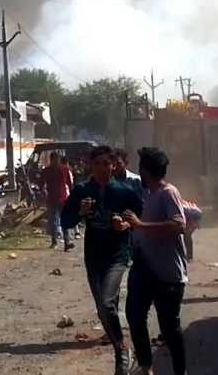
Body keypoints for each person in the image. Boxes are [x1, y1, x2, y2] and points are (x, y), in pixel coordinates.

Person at [61, 145, 144, 375]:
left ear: (114, 166)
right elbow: (65, 221)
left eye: (105, 164)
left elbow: (140, 219)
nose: (100, 168)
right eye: (96, 164)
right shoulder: (82, 190)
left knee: (107, 303)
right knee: (104, 309)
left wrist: (125, 224)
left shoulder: (125, 192)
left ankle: (122, 350)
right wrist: (80, 212)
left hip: (117, 256)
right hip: (94, 257)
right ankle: (123, 352)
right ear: (91, 165)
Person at [120, 147, 188, 375]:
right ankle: (146, 367)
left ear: (145, 171)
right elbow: (145, 230)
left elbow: (179, 225)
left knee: (169, 328)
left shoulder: (168, 192)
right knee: (135, 316)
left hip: (167, 273)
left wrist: (140, 225)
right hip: (145, 267)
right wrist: (135, 242)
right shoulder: (150, 195)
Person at [43, 152, 75, 251]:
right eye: (53, 161)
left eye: (56, 160)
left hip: (62, 198)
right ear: (51, 161)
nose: (55, 162)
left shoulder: (64, 169)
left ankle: (67, 243)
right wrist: (43, 191)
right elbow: (41, 183)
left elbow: (69, 183)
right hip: (51, 199)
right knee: (52, 222)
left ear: (59, 160)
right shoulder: (47, 171)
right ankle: (54, 241)